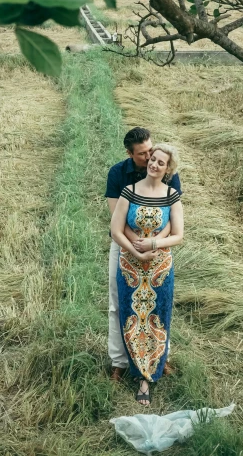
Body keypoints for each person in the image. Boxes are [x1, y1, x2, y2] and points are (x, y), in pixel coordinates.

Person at [105, 128, 182, 383]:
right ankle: (120, 361)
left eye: (152, 151)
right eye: (144, 154)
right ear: (130, 154)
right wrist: (135, 245)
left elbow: (173, 217)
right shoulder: (118, 174)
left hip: (157, 245)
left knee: (160, 304)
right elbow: (117, 219)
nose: (150, 157)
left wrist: (155, 243)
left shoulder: (168, 172)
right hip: (127, 241)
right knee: (119, 303)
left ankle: (162, 358)